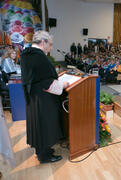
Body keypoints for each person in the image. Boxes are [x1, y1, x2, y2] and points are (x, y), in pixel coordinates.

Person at [20, 31, 69, 164]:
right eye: (50, 44)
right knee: (45, 125)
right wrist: (63, 85)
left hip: (33, 97)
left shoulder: (27, 54)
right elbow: (47, 82)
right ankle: (45, 156)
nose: (51, 48)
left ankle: (41, 151)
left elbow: (39, 78)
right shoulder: (39, 57)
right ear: (43, 42)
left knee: (38, 125)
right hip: (42, 98)